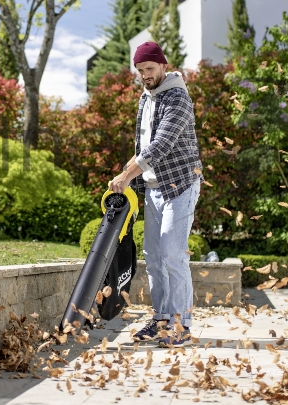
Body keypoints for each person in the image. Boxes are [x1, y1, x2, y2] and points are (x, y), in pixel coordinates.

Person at [108, 41, 203, 348]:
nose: (145, 75)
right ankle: (161, 320)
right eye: (140, 70)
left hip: (180, 185)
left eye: (149, 68)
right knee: (153, 257)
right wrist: (128, 177)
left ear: (163, 65)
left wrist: (126, 175)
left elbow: (160, 146)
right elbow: (142, 147)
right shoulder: (145, 98)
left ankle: (181, 325)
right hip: (153, 188)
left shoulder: (177, 97)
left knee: (173, 254)